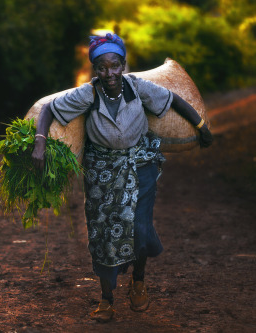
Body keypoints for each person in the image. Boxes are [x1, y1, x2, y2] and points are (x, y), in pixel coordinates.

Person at [31, 33, 213, 323]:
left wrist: (201, 126)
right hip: (102, 173)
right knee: (102, 235)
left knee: (139, 228)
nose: (109, 73)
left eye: (114, 66)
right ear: (95, 70)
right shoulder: (88, 94)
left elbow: (173, 99)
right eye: (102, 68)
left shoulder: (137, 88)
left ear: (123, 65)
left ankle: (138, 282)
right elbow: (51, 108)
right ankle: (106, 299)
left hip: (141, 167)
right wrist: (40, 142)